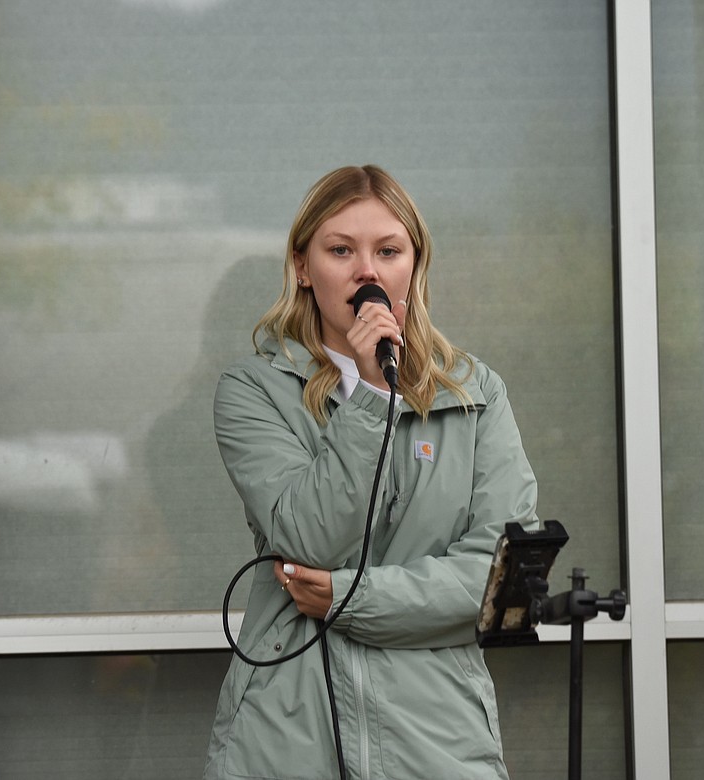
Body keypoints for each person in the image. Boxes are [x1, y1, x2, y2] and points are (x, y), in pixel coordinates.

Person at [205, 165, 538, 779]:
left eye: (389, 250)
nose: (368, 271)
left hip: (437, 739)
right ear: (303, 267)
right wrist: (373, 396)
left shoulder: (474, 393)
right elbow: (309, 538)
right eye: (340, 250)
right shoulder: (253, 390)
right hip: (286, 739)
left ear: (414, 265)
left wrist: (346, 597)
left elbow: (498, 577)